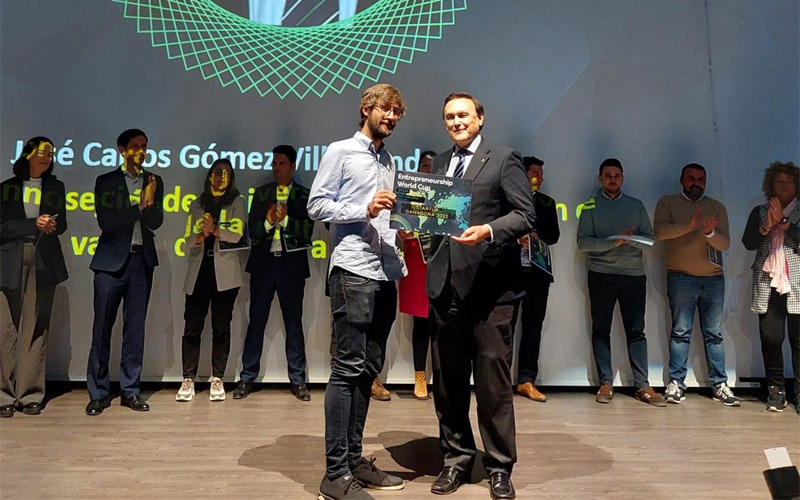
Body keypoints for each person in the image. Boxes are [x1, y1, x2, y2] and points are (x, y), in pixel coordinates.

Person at [427, 93, 536, 500]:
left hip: (491, 291)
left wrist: (488, 231)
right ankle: (456, 460)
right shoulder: (439, 163)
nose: (456, 122)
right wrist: (412, 226)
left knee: (493, 385)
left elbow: (525, 215)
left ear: (480, 118)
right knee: (448, 384)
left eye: (463, 115)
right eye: (449, 117)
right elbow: (436, 221)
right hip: (445, 288)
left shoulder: (504, 158)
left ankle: (500, 468)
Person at [308, 83, 408, 500]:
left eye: (397, 111)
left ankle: (353, 461)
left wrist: (405, 228)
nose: (392, 116)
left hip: (386, 271)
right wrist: (361, 209)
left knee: (368, 370)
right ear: (366, 109)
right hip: (353, 270)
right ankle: (334, 474)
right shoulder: (340, 151)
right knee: (347, 368)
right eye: (386, 108)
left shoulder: (389, 160)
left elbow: (388, 218)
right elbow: (316, 205)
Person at [85, 128, 164, 416]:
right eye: (135, 146)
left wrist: (150, 205)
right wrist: (138, 206)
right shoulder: (106, 181)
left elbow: (156, 222)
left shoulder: (154, 181)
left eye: (144, 146)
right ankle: (98, 393)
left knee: (135, 329)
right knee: (102, 328)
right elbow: (107, 222)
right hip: (110, 264)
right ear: (122, 150)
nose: (141, 151)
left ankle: (130, 390)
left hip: (141, 261)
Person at [576, 158, 665, 407]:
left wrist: (631, 239)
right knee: (601, 330)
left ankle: (642, 385)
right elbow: (583, 243)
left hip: (633, 275)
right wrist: (612, 242)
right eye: (608, 176)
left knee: (636, 331)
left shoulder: (635, 205)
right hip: (601, 274)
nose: (612, 180)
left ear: (622, 178)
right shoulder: (590, 206)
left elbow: (650, 240)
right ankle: (606, 383)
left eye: (616, 175)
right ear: (600, 178)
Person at [234, 145, 315, 402]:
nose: (277, 168)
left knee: (294, 324)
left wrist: (286, 220)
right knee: (256, 322)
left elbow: (307, 232)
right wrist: (270, 221)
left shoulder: (305, 195)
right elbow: (253, 231)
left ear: (292, 166)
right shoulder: (261, 193)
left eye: (282, 164)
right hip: (264, 266)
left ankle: (298, 380)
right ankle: (247, 377)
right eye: (274, 164)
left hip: (291, 268)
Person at [653, 163, 738, 406]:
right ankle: (676, 383)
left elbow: (725, 244)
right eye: (691, 178)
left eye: (701, 179)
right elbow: (660, 232)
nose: (696, 183)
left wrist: (709, 233)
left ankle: (720, 384)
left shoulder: (716, 207)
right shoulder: (667, 202)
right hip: (680, 277)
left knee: (714, 334)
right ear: (682, 180)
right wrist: (689, 226)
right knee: (680, 332)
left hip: (713, 278)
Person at [0, 137, 68, 417]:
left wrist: (51, 224)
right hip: (10, 261)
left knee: (36, 327)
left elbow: (63, 225)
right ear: (27, 154)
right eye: (42, 152)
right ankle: (4, 393)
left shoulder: (55, 187)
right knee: (6, 328)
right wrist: (32, 224)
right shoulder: (7, 187)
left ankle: (30, 393)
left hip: (43, 260)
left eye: (50, 154)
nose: (47, 157)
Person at [176, 159, 246, 402]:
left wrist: (215, 231)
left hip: (225, 275)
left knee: (221, 328)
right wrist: (201, 235)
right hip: (199, 272)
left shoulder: (237, 202)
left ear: (231, 178)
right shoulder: (197, 203)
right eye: (217, 172)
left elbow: (237, 235)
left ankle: (218, 377)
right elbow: (187, 240)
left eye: (226, 173)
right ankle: (188, 378)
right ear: (209, 176)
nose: (220, 176)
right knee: (192, 328)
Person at [742, 161, 800, 413]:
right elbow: (748, 242)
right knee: (771, 338)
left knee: (799, 341)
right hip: (768, 282)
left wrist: (785, 222)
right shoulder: (760, 210)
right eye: (779, 181)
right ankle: (776, 391)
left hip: (797, 283)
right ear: (771, 185)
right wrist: (767, 225)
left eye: (789, 181)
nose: (784, 186)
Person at [515, 156, 560, 403]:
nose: (539, 178)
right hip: (510, 272)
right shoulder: (507, 198)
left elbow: (553, 236)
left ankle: (527, 380)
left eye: (541, 174)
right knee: (503, 327)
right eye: (535, 173)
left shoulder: (546, 202)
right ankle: (497, 380)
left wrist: (535, 235)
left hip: (538, 273)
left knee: (533, 328)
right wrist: (517, 236)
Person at [400, 149, 437, 400]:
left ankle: (443, 377)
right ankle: (419, 376)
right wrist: (403, 232)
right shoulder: (409, 196)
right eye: (424, 166)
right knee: (421, 322)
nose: (428, 170)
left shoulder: (446, 196)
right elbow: (400, 227)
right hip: (416, 261)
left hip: (441, 261)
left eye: (432, 166)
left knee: (444, 322)